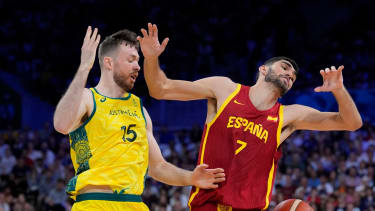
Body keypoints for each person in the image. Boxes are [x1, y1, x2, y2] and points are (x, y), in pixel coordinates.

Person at [137, 23, 363, 211]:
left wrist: (339, 90)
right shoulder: (224, 89)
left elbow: (351, 123)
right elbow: (161, 89)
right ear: (263, 69)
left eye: (293, 76)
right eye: (284, 67)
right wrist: (150, 58)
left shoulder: (288, 115)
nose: (289, 74)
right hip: (208, 206)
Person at [53, 26, 225, 211]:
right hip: (95, 202)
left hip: (135, 204)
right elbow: (61, 124)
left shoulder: (139, 109)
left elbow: (157, 166)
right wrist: (84, 67)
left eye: (138, 61)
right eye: (131, 60)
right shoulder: (87, 98)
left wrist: (191, 178)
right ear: (109, 63)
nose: (137, 66)